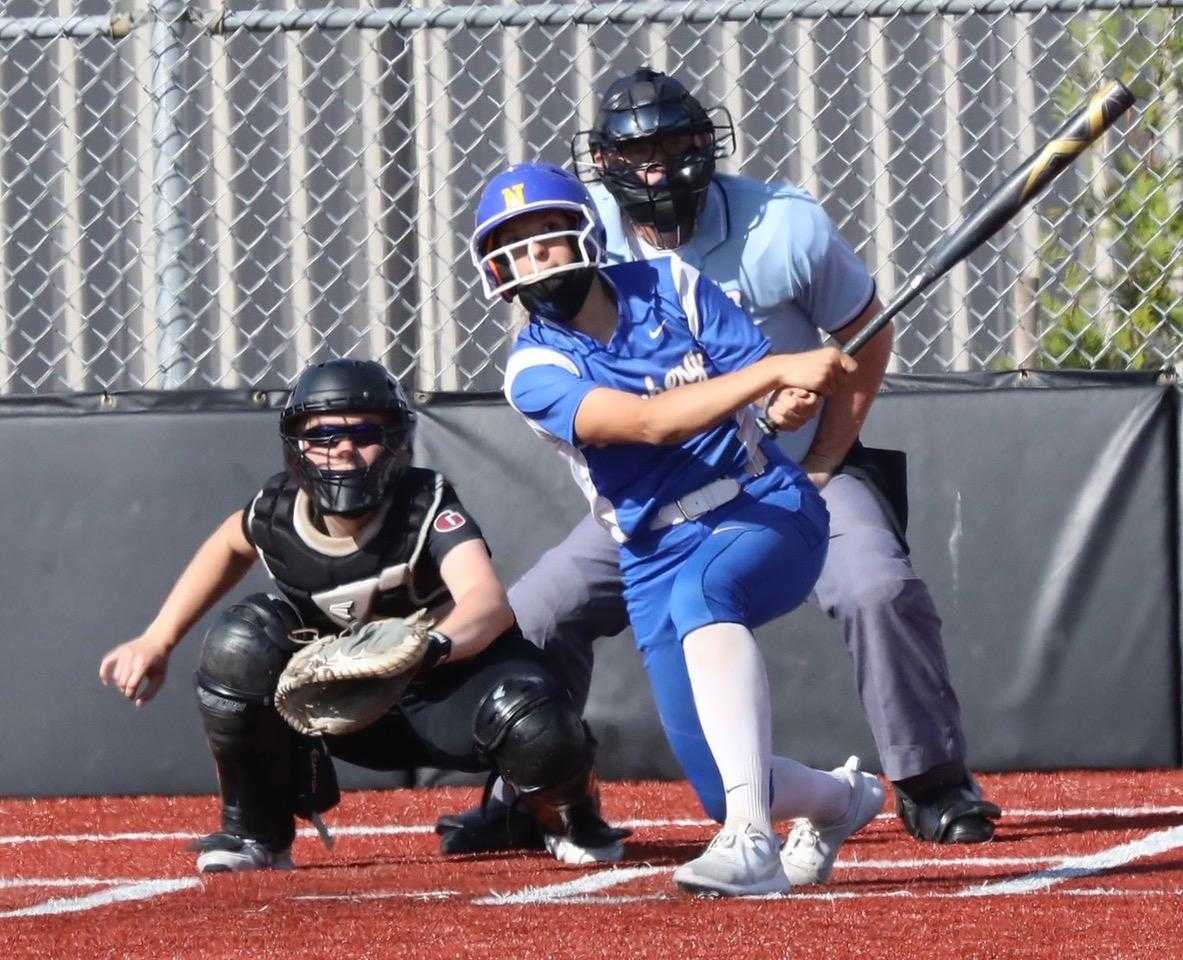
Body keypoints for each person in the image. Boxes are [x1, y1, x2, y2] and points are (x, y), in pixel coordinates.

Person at [439, 68, 1000, 857]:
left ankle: (932, 780)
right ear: (601, 167)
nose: (655, 169)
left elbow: (864, 340)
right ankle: (535, 793)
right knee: (537, 613)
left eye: (672, 146)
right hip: (652, 506)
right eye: (634, 155)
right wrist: (766, 382)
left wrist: (820, 455)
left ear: (706, 143)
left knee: (876, 585)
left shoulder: (782, 225)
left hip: (790, 472)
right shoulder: (571, 235)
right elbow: (628, 408)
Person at [466, 161, 885, 897]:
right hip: (652, 550)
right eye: (516, 253)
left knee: (705, 596)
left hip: (761, 504)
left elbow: (757, 382)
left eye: (549, 242)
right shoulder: (533, 367)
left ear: (587, 237)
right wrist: (772, 375)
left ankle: (751, 846)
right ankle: (840, 801)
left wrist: (782, 398)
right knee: (721, 783)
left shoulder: (674, 284)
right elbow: (650, 423)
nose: (534, 265)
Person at [98, 358, 628, 874]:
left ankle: (566, 820)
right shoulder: (277, 510)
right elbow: (228, 544)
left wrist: (428, 649)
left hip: (443, 697)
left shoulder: (425, 502)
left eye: (365, 433)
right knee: (241, 642)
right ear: (297, 444)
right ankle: (254, 831)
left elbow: (486, 602)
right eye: (324, 435)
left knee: (534, 714)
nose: (345, 450)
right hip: (340, 703)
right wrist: (157, 640)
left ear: (396, 441)